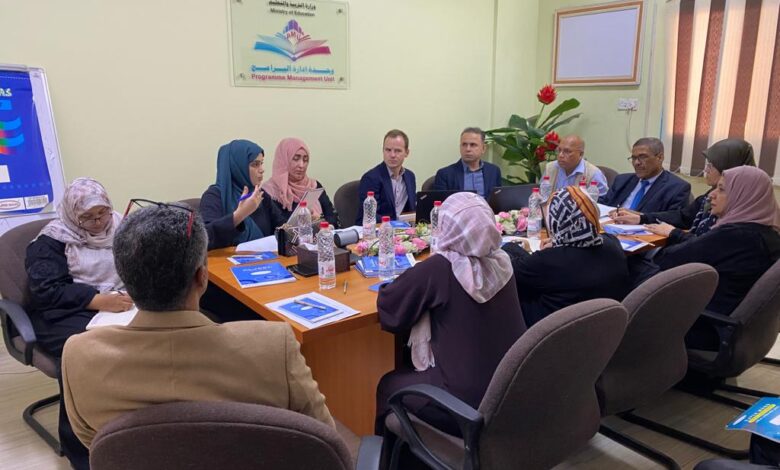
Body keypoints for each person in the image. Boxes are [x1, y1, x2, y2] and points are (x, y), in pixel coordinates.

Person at [61, 203, 334, 449]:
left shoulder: (79, 356)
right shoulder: (273, 346)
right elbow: (325, 442)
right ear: (203, 277)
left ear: (125, 280)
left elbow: (97, 445)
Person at [374, 192, 526, 436]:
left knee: (388, 385)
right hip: (510, 389)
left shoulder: (441, 267)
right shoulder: (503, 261)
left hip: (464, 403)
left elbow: (390, 307)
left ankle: (395, 454)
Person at [25, 177, 129, 470]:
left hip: (119, 304)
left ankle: (131, 427)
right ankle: (81, 449)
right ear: (73, 215)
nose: (98, 222)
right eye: (88, 217)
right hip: (65, 311)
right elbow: (46, 291)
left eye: (102, 213)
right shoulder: (51, 241)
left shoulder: (121, 227)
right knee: (84, 355)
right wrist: (98, 300)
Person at [652, 166, 780, 349]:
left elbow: (667, 261)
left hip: (700, 327)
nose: (711, 195)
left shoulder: (734, 236)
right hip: (729, 329)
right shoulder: (768, 235)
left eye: (721, 189)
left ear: (742, 195)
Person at [502, 185, 629, 327]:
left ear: (556, 221)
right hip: (603, 328)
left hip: (550, 331)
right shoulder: (613, 244)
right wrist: (559, 243)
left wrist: (512, 246)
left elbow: (511, 271)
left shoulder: (548, 260)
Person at [612, 138, 756, 244]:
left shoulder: (741, 211)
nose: (706, 170)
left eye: (711, 165)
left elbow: (707, 245)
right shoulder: (709, 196)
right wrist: (642, 218)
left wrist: (674, 233)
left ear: (729, 168)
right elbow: (683, 216)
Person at [200, 139, 286, 250]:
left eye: (261, 163)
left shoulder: (260, 195)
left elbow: (281, 225)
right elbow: (205, 238)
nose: (262, 170)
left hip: (265, 258)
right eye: (255, 164)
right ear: (237, 167)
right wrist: (240, 215)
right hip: (226, 260)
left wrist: (298, 224)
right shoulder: (214, 196)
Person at [600, 137, 691, 213]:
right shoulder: (622, 180)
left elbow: (673, 220)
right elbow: (603, 205)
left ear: (660, 158)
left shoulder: (677, 188)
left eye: (643, 157)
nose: (636, 163)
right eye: (634, 158)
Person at [262, 137, 337, 227]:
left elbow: (332, 217)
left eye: (305, 160)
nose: (301, 165)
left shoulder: (313, 185)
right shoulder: (269, 192)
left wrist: (321, 223)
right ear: (283, 161)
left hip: (321, 233)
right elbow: (278, 226)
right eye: (296, 159)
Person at [355, 129, 416, 223]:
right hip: (378, 229)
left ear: (407, 153)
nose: (392, 155)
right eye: (388, 150)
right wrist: (395, 224)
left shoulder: (410, 177)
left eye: (397, 151)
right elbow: (370, 216)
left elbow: (411, 209)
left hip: (403, 229)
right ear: (383, 151)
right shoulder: (371, 178)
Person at [432, 127, 502, 198]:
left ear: (483, 148)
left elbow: (497, 200)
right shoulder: (445, 174)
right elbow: (442, 203)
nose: (468, 149)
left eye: (473, 145)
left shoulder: (494, 171)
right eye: (464, 144)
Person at [542, 135, 609, 196]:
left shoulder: (593, 174)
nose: (560, 155)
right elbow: (542, 194)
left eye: (567, 151)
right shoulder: (550, 168)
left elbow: (603, 201)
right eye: (559, 150)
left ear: (580, 154)